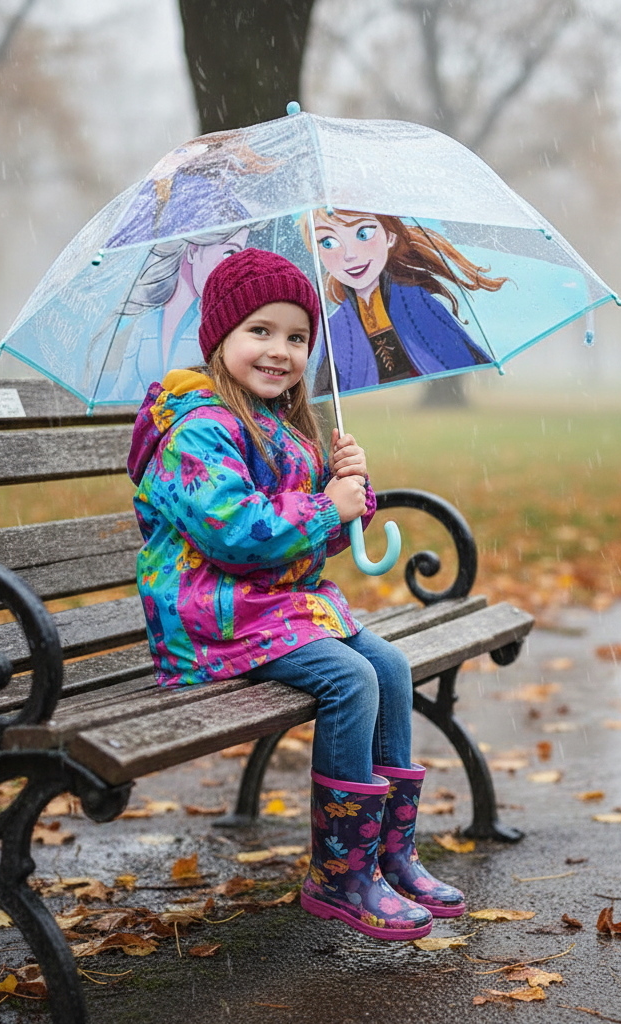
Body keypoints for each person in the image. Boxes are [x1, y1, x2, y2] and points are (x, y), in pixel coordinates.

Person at [127, 248, 465, 940]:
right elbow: (238, 535)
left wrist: (351, 496)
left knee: (391, 668)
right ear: (219, 337)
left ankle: (391, 854)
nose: (280, 350)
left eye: (297, 336)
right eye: (260, 331)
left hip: (269, 608)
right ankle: (340, 875)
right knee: (349, 679)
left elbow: (311, 546)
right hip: (209, 613)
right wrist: (326, 508)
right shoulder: (199, 427)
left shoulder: (282, 425)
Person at [300, 209, 505, 396]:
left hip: (432, 403)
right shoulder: (335, 327)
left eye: (364, 233)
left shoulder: (415, 301)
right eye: (328, 242)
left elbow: (457, 356)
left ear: (390, 236)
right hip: (371, 414)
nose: (349, 255)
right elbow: (325, 391)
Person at [90, 227, 251, 403]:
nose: (233, 269)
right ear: (192, 251)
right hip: (158, 426)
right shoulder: (145, 324)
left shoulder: (221, 329)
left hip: (202, 428)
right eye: (229, 254)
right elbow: (122, 395)